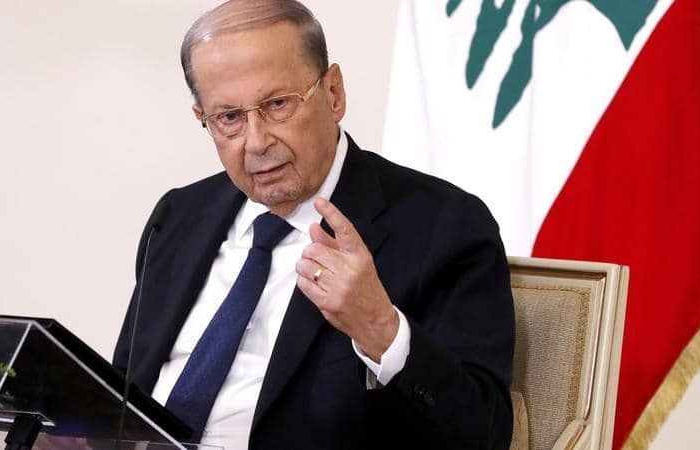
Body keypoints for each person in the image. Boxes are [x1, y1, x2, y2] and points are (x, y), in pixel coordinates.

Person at [113, 1, 514, 449]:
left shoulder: (443, 226)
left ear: (334, 93)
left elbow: (485, 434)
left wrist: (381, 329)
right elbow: (122, 390)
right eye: (229, 118)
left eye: (277, 105)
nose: (256, 141)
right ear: (203, 119)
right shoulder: (178, 216)